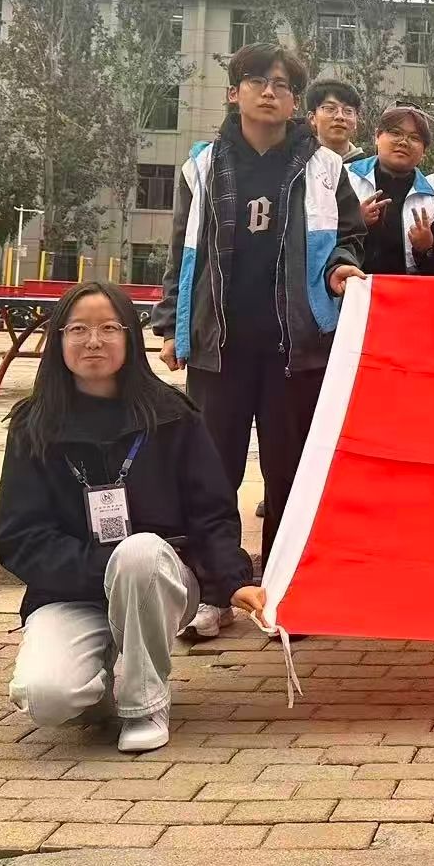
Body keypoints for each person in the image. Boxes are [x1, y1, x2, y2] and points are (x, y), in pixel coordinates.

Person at [0, 282, 259, 753]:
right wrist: (102, 568)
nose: (93, 341)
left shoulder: (173, 416)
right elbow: (20, 535)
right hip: (70, 590)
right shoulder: (32, 426)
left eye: (108, 328)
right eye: (78, 329)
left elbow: (212, 513)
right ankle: (101, 692)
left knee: (137, 554)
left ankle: (144, 703)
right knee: (46, 698)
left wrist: (233, 580)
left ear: (130, 338)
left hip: (158, 580)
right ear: (58, 340)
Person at [152, 44, 365, 617]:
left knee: (290, 475)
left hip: (296, 348)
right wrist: (172, 326)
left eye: (282, 85)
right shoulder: (202, 167)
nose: (269, 92)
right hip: (219, 346)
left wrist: (342, 267)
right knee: (211, 472)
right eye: (256, 81)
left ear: (296, 104)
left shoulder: (326, 168)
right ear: (234, 93)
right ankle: (215, 592)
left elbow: (348, 237)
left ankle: (286, 592)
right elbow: (183, 251)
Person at [345, 106, 434, 277]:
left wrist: (428, 248)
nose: (403, 142)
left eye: (414, 138)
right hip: (347, 287)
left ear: (424, 151)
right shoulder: (344, 178)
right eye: (395, 133)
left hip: (404, 291)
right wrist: (353, 222)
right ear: (377, 136)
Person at [305, 80, 363, 159]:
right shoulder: (297, 163)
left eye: (348, 111)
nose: (340, 116)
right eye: (330, 109)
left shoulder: (369, 166)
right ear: (312, 118)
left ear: (356, 120)